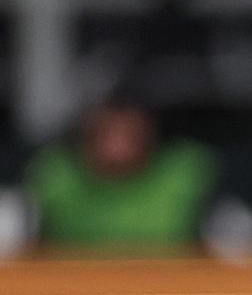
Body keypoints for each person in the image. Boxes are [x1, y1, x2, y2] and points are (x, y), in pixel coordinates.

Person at [25, 97, 216, 252]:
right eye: (106, 135)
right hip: (70, 292)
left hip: (169, 291)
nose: (117, 147)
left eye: (128, 135)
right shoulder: (55, 178)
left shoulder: (185, 176)